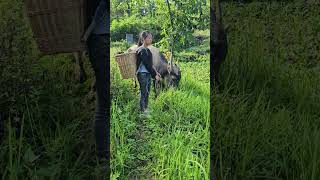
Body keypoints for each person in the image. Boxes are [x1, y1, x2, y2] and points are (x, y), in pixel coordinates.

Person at [86, 0, 110, 176]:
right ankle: (102, 157)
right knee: (104, 105)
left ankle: (103, 154)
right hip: (102, 40)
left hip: (96, 41)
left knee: (104, 102)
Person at [136, 31, 161, 115]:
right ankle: (142, 111)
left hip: (147, 74)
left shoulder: (147, 50)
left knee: (147, 92)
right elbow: (147, 65)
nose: (151, 39)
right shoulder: (142, 50)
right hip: (142, 74)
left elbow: (151, 64)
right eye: (149, 38)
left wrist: (156, 73)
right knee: (143, 92)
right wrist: (154, 75)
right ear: (143, 39)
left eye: (151, 38)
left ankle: (145, 109)